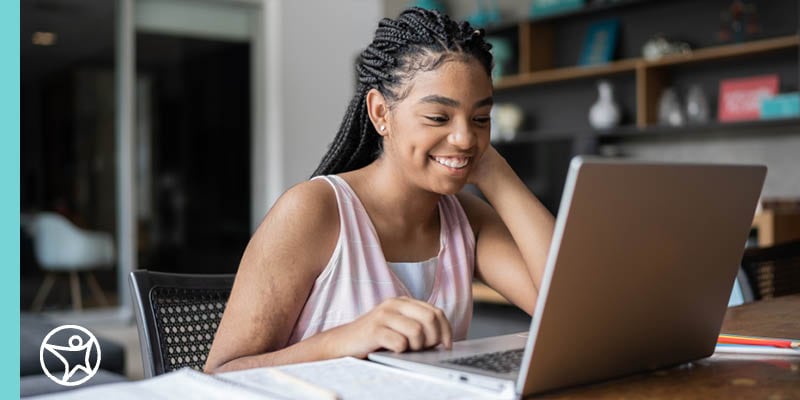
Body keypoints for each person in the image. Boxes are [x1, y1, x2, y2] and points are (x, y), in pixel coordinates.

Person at [204, 7, 554, 373]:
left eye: (481, 119)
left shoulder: (466, 219)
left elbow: (564, 310)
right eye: (438, 117)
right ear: (381, 113)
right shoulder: (314, 210)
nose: (465, 137)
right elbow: (220, 374)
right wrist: (346, 339)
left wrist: (497, 173)